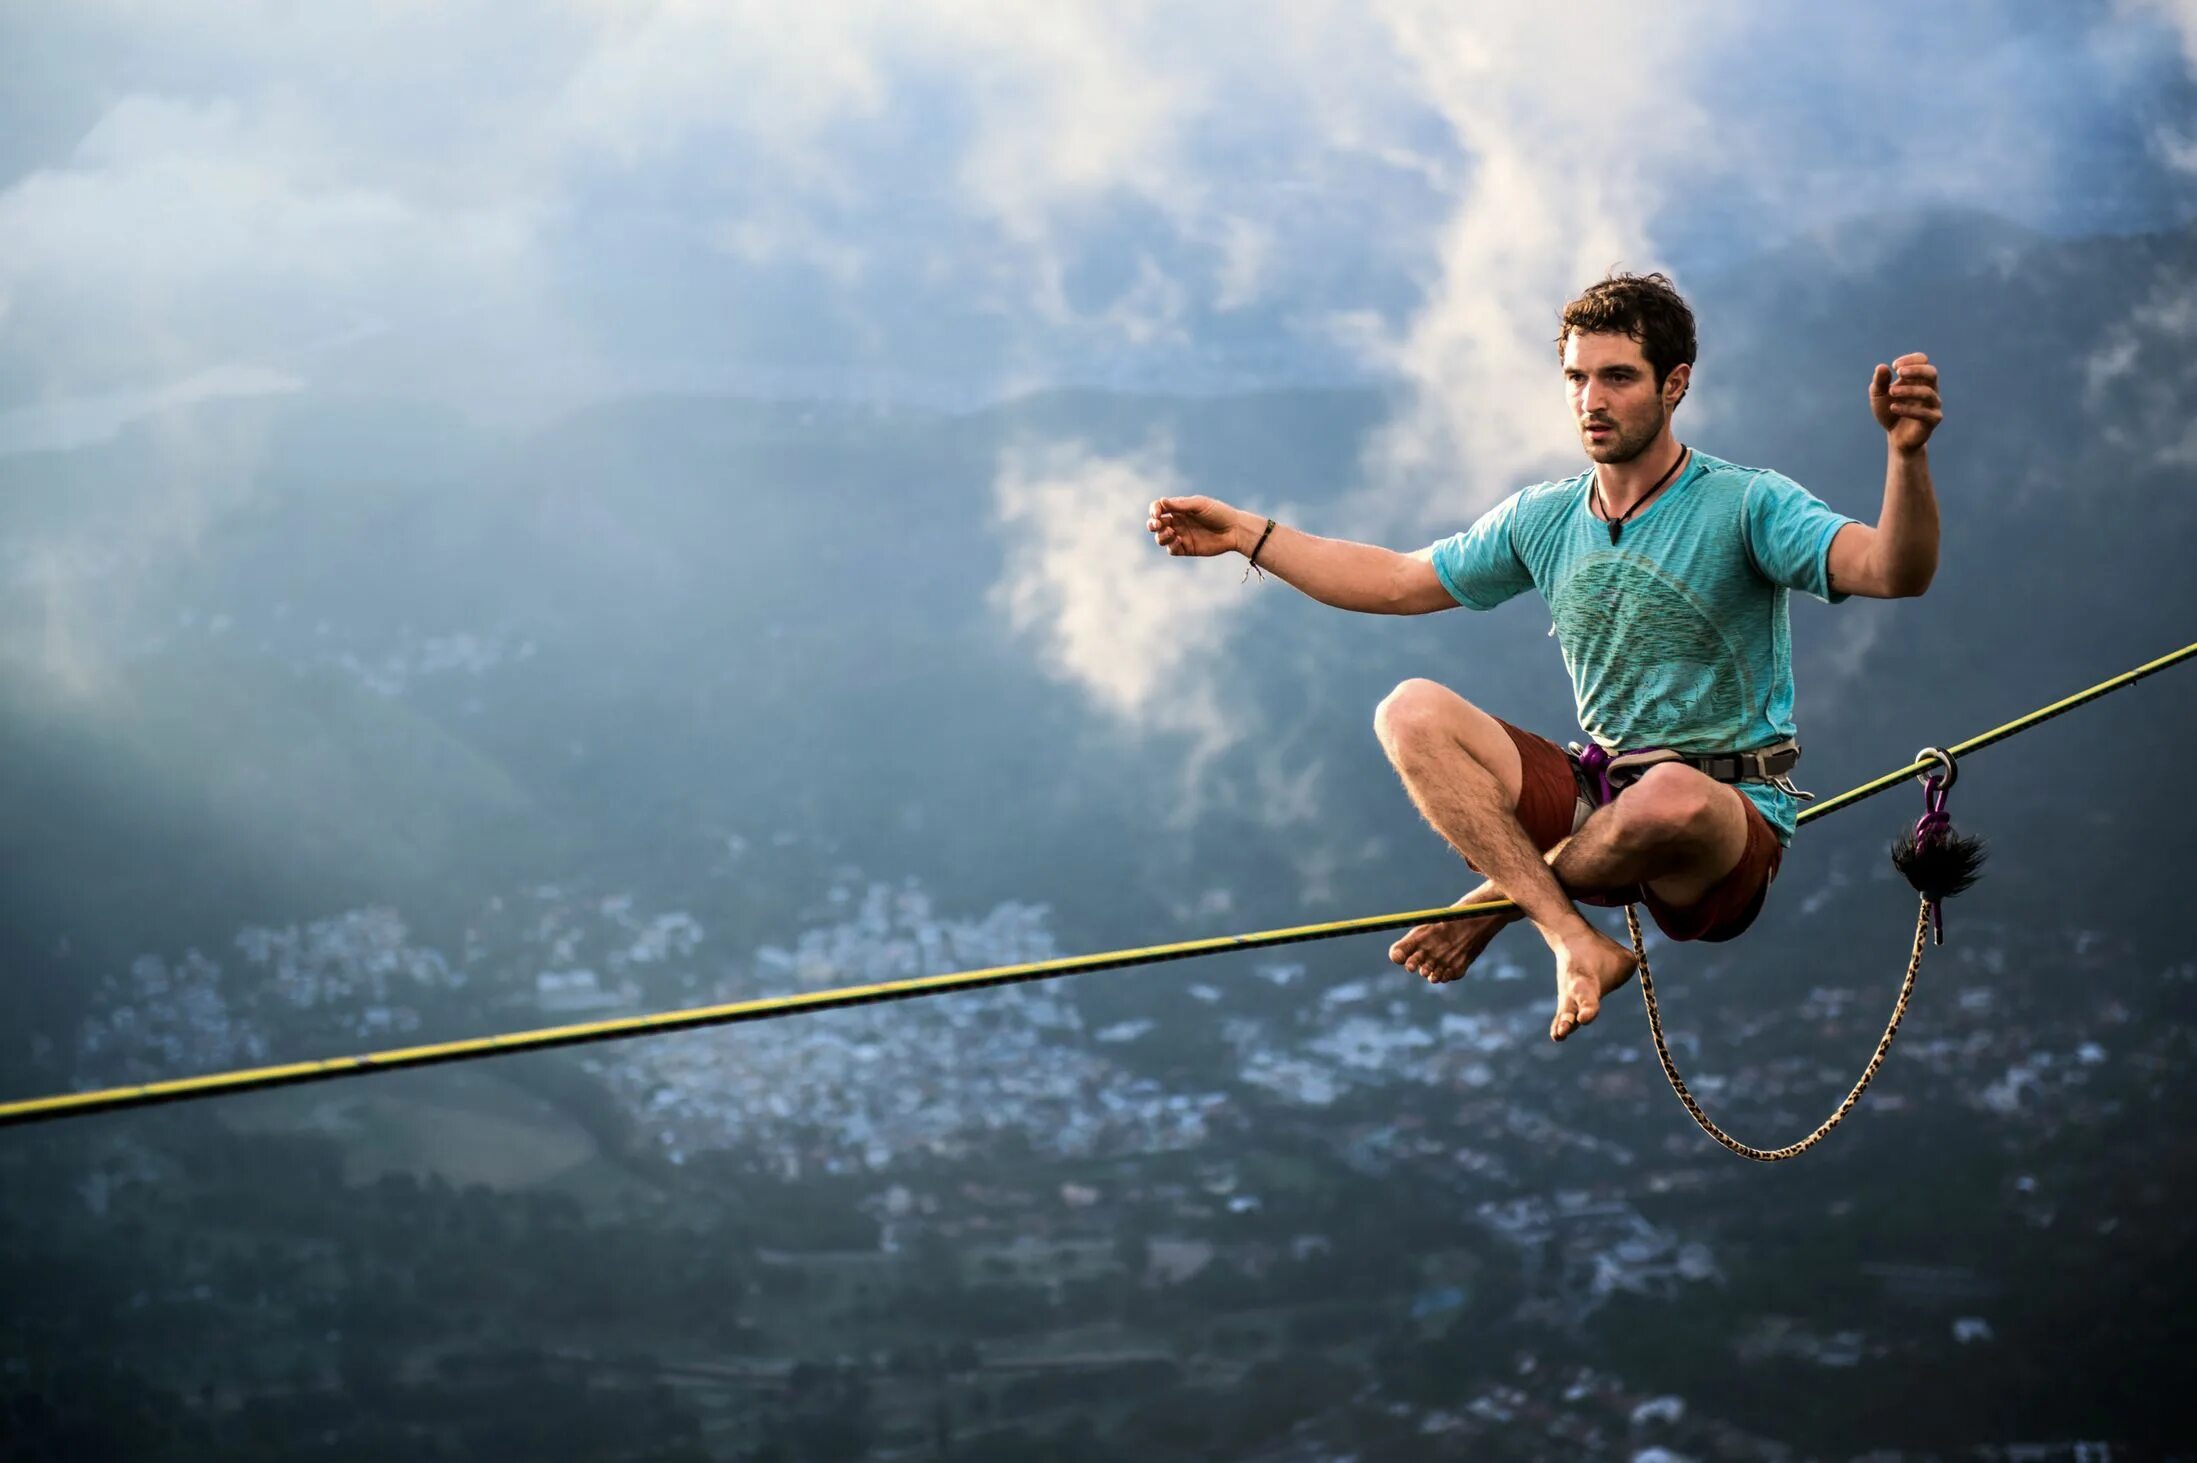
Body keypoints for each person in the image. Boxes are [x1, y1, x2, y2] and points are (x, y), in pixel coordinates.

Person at [1145, 271, 1942, 1043]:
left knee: (1671, 793)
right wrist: (1247, 534)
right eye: (1576, 377)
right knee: (1408, 709)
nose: (1591, 400)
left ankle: (1499, 896)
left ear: (1674, 385)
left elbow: (1892, 571)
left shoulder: (1746, 503)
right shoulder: (1546, 516)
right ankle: (1572, 939)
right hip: (1600, 797)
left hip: (1719, 828)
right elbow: (1394, 582)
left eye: (1618, 377)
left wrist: (1904, 456)